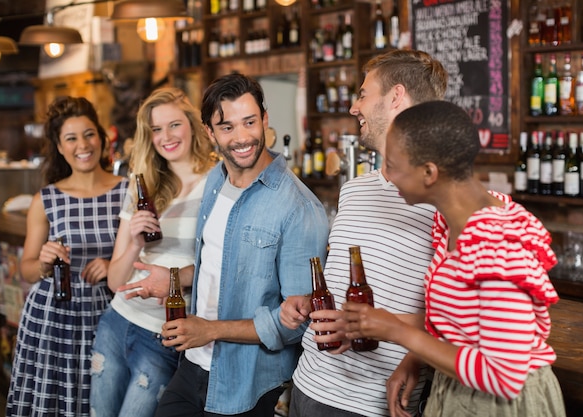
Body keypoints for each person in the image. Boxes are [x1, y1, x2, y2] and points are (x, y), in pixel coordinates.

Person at [344, 100, 567, 417]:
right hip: (459, 392)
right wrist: (414, 359)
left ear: (429, 172)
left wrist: (398, 331)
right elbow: (463, 329)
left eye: (392, 165)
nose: (388, 177)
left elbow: (502, 376)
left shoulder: (497, 245)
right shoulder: (453, 223)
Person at [280, 49, 448, 417]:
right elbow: (344, 282)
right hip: (309, 383)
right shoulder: (354, 189)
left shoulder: (445, 200)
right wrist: (310, 302)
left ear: (396, 97)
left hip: (374, 402)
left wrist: (413, 360)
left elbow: (453, 319)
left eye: (363, 94)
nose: (355, 107)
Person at [151, 73, 329, 417]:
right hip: (191, 364)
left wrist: (210, 330)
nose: (242, 137)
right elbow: (220, 260)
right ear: (209, 132)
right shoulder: (216, 178)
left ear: (264, 119)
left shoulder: (298, 207)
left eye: (249, 122)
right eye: (227, 127)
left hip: (245, 381)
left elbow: (300, 322)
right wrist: (173, 276)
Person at [89, 88, 216, 417]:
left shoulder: (217, 183)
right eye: (156, 130)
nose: (166, 137)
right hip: (116, 323)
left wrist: (173, 278)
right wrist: (135, 242)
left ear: (192, 124)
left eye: (174, 125)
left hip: (164, 334)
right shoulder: (143, 185)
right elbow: (116, 281)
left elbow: (220, 265)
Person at [6, 96, 129, 416]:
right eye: (71, 138)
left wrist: (113, 264)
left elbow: (146, 252)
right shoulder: (45, 198)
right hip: (52, 317)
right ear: (60, 147)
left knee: (102, 400)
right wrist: (43, 262)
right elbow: (26, 270)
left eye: (89, 134)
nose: (82, 145)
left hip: (109, 316)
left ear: (102, 138)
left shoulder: (128, 191)